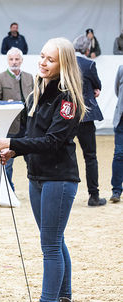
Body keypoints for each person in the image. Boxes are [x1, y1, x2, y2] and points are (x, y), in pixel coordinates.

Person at [0, 37, 86, 302]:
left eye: (50, 59)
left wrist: (12, 142)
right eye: (42, 57)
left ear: (63, 64)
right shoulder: (38, 91)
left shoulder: (67, 97)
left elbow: (54, 141)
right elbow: (33, 134)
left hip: (59, 178)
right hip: (38, 177)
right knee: (54, 239)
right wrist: (14, 151)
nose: (42, 62)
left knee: (50, 245)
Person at [0, 47, 34, 191]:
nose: (14, 62)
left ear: (22, 60)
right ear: (7, 60)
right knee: (7, 162)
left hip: (28, 127)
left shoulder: (29, 77)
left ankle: (35, 188)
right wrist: (5, 103)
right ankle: (8, 190)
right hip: (10, 128)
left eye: (17, 59)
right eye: (11, 59)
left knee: (33, 160)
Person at [73, 38, 107, 206]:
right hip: (85, 116)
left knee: (59, 153)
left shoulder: (63, 63)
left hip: (64, 115)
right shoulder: (88, 65)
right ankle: (93, 195)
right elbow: (97, 85)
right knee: (90, 157)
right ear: (86, 50)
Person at [110, 65, 123, 202]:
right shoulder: (121, 69)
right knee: (119, 154)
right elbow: (117, 91)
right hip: (121, 120)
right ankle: (116, 191)